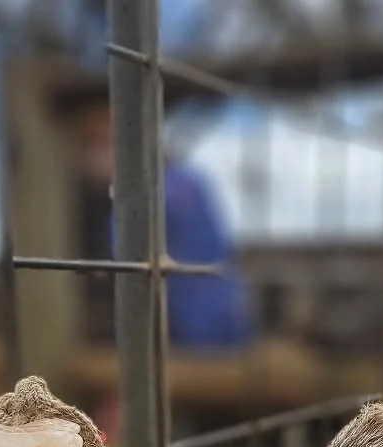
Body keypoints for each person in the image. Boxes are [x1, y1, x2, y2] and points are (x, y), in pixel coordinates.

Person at [73, 97, 255, 351]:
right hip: (229, 322)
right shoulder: (189, 181)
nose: (86, 164)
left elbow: (130, 281)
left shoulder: (137, 204)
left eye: (94, 150)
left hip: (182, 335)